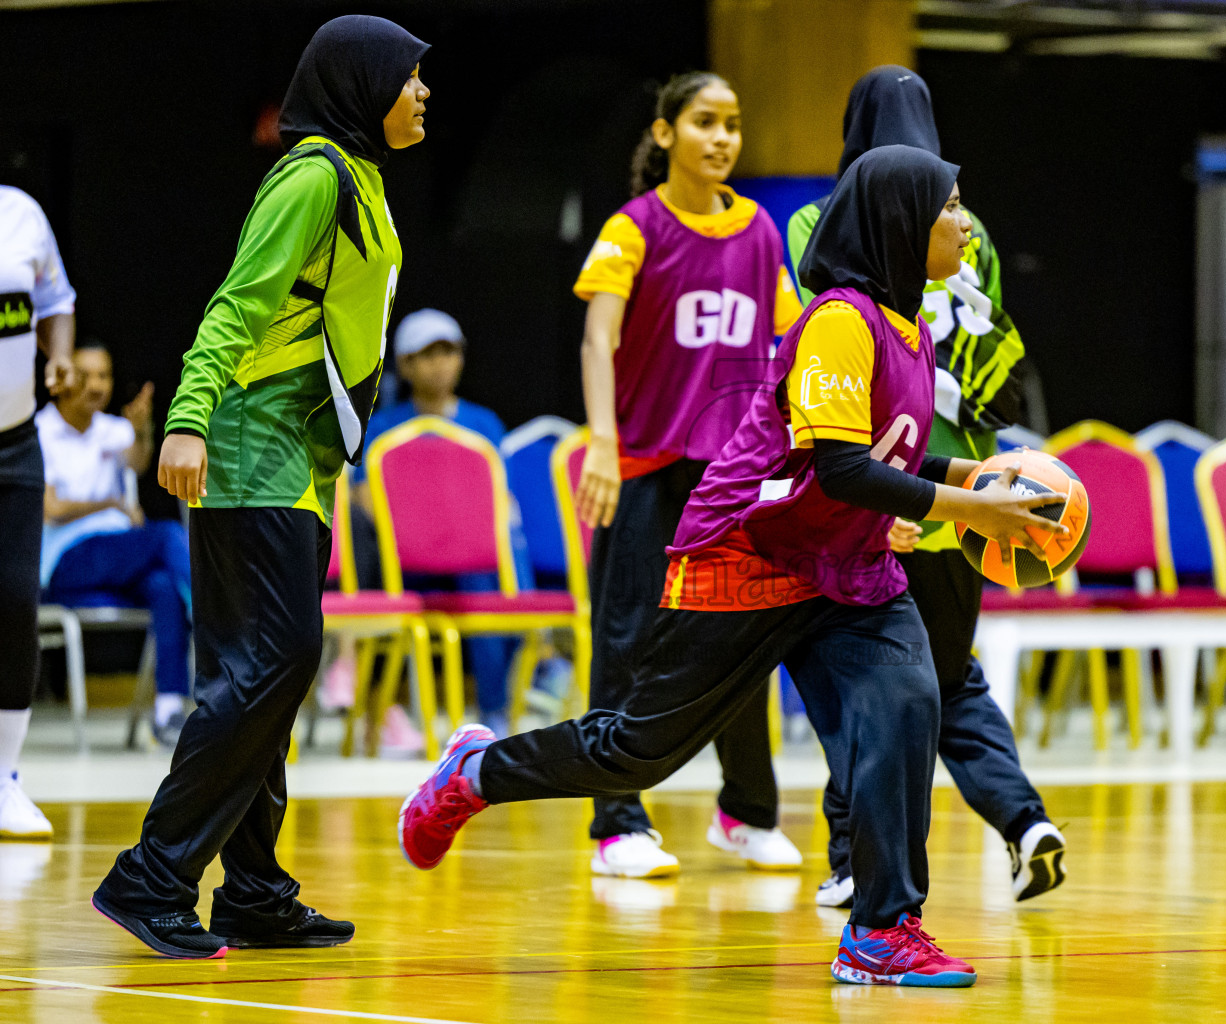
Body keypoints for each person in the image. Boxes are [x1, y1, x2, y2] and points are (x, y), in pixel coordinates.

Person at [401, 144, 1069, 987]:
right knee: (639, 750)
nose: (964, 222)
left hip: (844, 565)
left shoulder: (909, 329)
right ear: (900, 224)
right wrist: (973, 507)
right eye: (948, 206)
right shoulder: (839, 319)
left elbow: (888, 455)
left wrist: (964, 474)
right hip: (749, 551)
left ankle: (883, 930)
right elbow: (841, 469)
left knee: (908, 702)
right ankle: (476, 773)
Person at [92, 15, 430, 959]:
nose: (424, 92)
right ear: (363, 84)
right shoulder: (315, 174)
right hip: (247, 446)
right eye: (410, 77)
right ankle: (153, 875)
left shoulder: (360, 178)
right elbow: (236, 302)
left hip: (300, 465)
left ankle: (253, 890)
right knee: (271, 667)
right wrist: (190, 418)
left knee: (270, 679)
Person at [787, 66, 1062, 909]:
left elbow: (806, 355)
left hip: (875, 503)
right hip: (967, 503)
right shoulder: (964, 223)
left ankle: (851, 861)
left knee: (859, 691)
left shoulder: (820, 219)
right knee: (944, 681)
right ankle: (1022, 821)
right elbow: (1004, 369)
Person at [567, 71, 804, 878]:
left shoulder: (761, 233)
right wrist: (601, 441)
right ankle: (616, 823)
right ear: (666, 133)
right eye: (705, 122)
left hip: (730, 479)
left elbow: (784, 352)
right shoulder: (633, 229)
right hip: (644, 468)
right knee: (626, 644)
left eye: (733, 124)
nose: (723, 139)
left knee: (740, 639)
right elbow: (598, 341)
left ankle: (746, 811)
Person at [350, 307, 528, 746]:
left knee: (491, 569)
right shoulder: (383, 428)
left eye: (448, 351)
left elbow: (501, 501)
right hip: (405, 564)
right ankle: (380, 705)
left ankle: (498, 709)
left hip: (472, 562)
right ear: (405, 365)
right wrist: (420, 534)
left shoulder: (485, 424)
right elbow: (362, 496)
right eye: (427, 353)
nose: (440, 362)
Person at [37, 340, 194, 746]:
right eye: (84, 374)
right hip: (68, 561)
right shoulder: (41, 430)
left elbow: (139, 460)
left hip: (118, 556)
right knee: (166, 536)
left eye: (103, 375)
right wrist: (112, 503)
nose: (95, 385)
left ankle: (168, 712)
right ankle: (215, 620)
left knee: (162, 586)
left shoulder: (112, 429)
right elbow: (50, 509)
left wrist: (141, 426)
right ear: (62, 378)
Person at [0, 183, 75, 840]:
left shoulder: (23, 213)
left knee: (15, 601)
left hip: (16, 444)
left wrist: (59, 356)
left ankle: (3, 779)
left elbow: (56, 301)